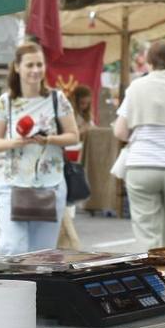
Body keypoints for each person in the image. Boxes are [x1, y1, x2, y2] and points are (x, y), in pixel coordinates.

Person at [0, 42, 80, 255]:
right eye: (29, 65)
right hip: (13, 184)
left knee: (42, 253)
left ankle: (39, 289)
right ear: (17, 67)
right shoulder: (6, 102)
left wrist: (49, 140)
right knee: (12, 249)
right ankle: (12, 289)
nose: (35, 70)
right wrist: (15, 142)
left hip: (51, 185)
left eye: (40, 64)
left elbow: (73, 136)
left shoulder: (57, 99)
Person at [114, 41, 165, 250]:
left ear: (149, 61)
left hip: (142, 163)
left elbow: (120, 131)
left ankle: (151, 273)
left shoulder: (136, 88)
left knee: (147, 231)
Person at [56, 84, 93, 250]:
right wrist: (82, 129)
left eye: (87, 103)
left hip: (80, 150)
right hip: (70, 151)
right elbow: (70, 133)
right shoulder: (69, 111)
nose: (84, 106)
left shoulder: (84, 114)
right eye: (82, 103)